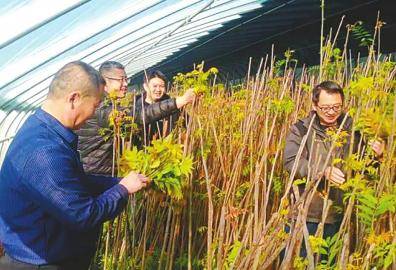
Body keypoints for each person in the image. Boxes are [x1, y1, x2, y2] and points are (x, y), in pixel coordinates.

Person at [0, 61, 148, 269]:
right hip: (42, 261)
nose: (93, 114)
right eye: (95, 106)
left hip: (42, 251)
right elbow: (83, 215)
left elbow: (73, 181)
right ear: (74, 99)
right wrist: (123, 189)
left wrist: (116, 182)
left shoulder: (40, 128)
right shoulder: (45, 152)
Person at [283, 81, 384, 251]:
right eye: (325, 108)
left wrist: (378, 156)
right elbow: (291, 163)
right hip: (308, 215)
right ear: (315, 105)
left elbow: (365, 169)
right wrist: (321, 171)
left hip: (340, 214)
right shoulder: (301, 129)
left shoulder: (354, 129)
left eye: (337, 107)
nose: (331, 112)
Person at [77, 61, 195, 175]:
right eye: (121, 80)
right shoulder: (101, 107)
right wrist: (181, 100)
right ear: (104, 83)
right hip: (97, 175)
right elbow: (139, 116)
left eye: (126, 79)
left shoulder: (106, 103)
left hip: (101, 171)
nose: (125, 84)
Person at [134, 70, 186, 147]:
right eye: (155, 86)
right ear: (145, 86)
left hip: (166, 151)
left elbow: (186, 124)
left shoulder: (173, 106)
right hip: (143, 154)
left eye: (161, 86)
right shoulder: (136, 107)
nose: (158, 90)